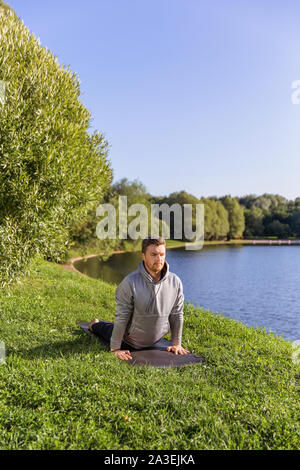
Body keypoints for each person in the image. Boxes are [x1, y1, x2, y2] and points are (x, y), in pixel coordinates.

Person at [88, 235, 190, 361]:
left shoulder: (175, 282)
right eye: (153, 254)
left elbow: (177, 314)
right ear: (143, 256)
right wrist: (115, 348)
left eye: (162, 254)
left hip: (156, 339)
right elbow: (122, 317)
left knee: (115, 326)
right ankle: (95, 324)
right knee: (106, 329)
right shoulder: (130, 282)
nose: (159, 259)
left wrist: (176, 343)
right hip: (129, 340)